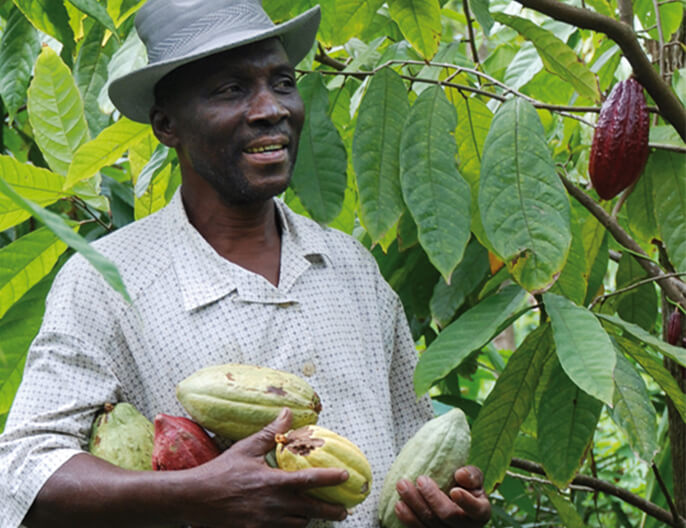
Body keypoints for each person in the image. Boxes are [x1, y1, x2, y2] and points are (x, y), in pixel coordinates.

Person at [0, 1, 492, 526]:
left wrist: (440, 505)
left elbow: (412, 446)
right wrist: (194, 493)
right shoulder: (106, 282)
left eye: (282, 82)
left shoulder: (351, 267)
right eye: (231, 90)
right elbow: (23, 470)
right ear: (167, 125)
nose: (271, 108)